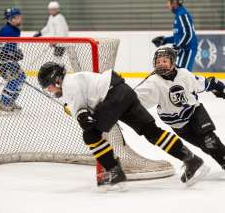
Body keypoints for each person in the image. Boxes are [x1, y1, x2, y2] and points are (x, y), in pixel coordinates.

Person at [37, 62, 210, 189]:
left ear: (56, 80)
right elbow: (85, 107)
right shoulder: (75, 79)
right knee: (151, 132)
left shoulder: (69, 86)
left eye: (48, 87)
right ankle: (191, 160)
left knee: (90, 135)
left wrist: (80, 115)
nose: (49, 91)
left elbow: (85, 120)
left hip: (113, 98)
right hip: (124, 91)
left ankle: (114, 171)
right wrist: (80, 113)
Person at [136, 47, 225, 171]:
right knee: (204, 145)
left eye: (164, 61)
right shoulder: (152, 82)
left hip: (195, 112)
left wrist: (219, 88)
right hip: (177, 124)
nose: (160, 64)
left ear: (173, 63)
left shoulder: (184, 74)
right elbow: (133, 98)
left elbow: (204, 83)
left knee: (210, 140)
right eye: (158, 61)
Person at [151, 0, 198, 71]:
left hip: (187, 49)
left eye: (168, 2)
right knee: (181, 75)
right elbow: (179, 36)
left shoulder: (182, 14)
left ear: (174, 2)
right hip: (183, 50)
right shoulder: (178, 15)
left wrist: (178, 46)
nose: (167, 5)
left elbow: (188, 34)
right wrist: (164, 40)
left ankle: (208, 83)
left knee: (184, 76)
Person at [0, 7, 26, 112]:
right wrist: (14, 56)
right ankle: (3, 102)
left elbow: (9, 49)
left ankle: (10, 101)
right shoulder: (7, 31)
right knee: (15, 78)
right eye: (18, 17)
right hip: (2, 62)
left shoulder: (14, 30)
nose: (20, 18)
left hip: (9, 60)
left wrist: (16, 54)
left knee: (21, 77)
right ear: (12, 19)